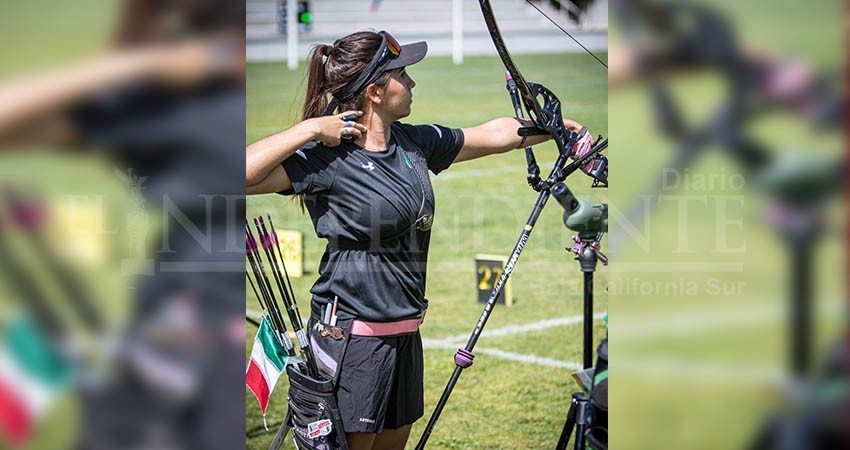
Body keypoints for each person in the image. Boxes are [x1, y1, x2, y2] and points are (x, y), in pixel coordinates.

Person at [245, 30, 590, 450]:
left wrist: (562, 129)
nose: (411, 84)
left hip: (405, 334)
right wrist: (311, 129)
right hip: (353, 341)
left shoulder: (414, 143)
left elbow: (494, 134)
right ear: (374, 91)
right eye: (402, 75)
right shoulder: (327, 158)